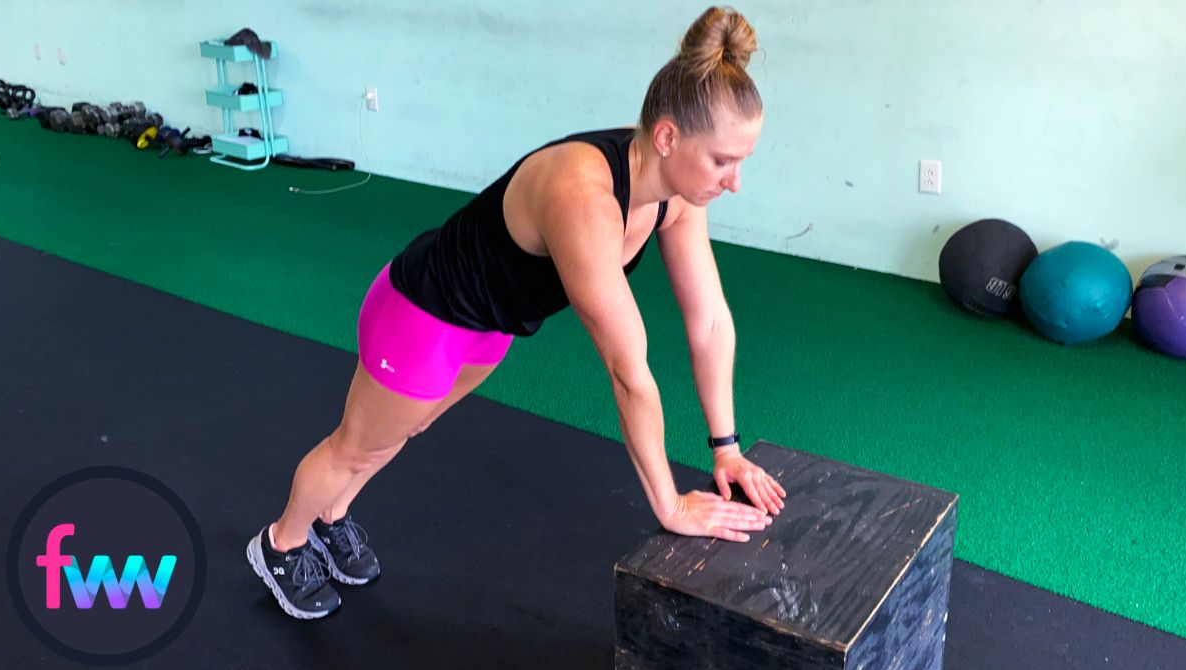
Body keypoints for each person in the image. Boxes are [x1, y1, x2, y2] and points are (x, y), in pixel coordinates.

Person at [246, 6, 786, 620]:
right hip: (423, 314)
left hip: (491, 326)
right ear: (667, 137)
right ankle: (282, 544)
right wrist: (670, 505)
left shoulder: (676, 192)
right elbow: (628, 369)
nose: (735, 182)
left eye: (741, 161)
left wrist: (726, 448)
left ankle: (332, 516)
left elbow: (709, 321)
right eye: (723, 161)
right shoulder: (582, 195)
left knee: (405, 431)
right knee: (358, 448)